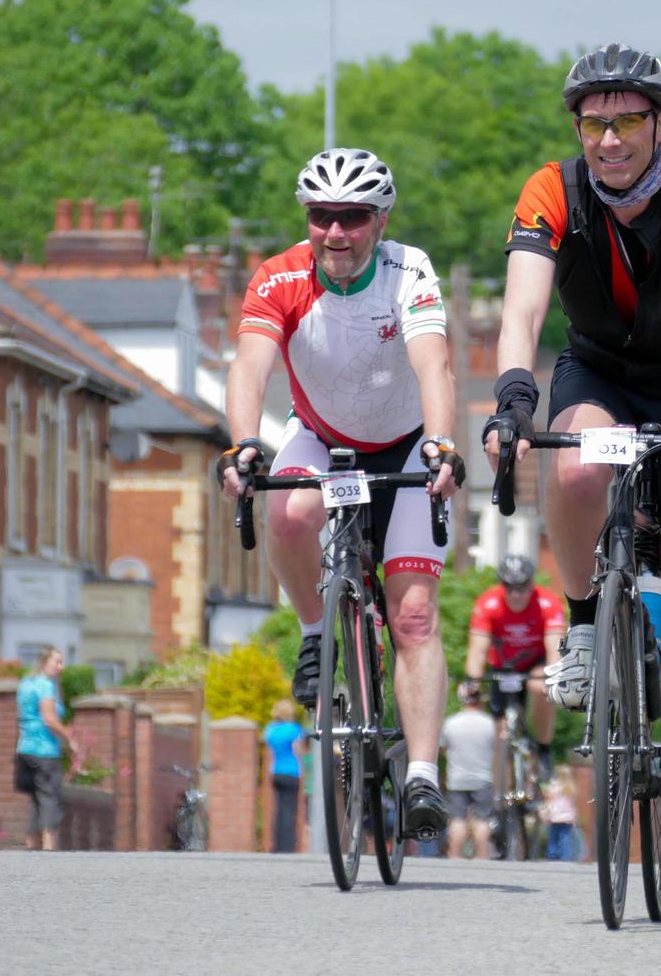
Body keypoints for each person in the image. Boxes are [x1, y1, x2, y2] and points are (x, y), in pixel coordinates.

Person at [484, 43, 661, 869]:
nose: (609, 139)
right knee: (571, 467)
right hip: (600, 371)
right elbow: (521, 311)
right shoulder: (552, 189)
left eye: (628, 121)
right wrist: (512, 398)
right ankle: (580, 626)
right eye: (594, 122)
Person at [217, 147, 465, 840]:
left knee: (412, 616)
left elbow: (434, 364)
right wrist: (242, 442)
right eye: (322, 216)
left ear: (380, 219)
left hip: (407, 444)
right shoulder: (280, 276)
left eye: (352, 217)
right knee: (289, 512)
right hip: (321, 437)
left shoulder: (407, 270)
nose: (336, 232)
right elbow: (251, 364)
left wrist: (442, 443)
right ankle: (316, 630)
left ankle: (420, 774)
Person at [465, 553, 564, 782]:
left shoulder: (547, 603)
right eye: (509, 587)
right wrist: (472, 681)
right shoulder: (488, 604)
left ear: (532, 583)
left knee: (541, 685)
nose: (516, 594)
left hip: (535, 663)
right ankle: (502, 801)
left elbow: (554, 648)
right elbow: (477, 650)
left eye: (522, 587)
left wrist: (554, 676)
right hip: (504, 666)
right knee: (500, 736)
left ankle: (542, 747)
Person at [15, 647, 76, 851]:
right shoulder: (44, 686)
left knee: (36, 800)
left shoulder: (25, 683)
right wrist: (69, 736)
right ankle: (50, 849)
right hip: (45, 750)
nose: (61, 667)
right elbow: (49, 719)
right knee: (51, 799)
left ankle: (32, 848)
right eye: (57, 662)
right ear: (44, 663)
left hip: (25, 749)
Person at [441, 679, 498, 860]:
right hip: (483, 778)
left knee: (457, 819)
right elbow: (497, 750)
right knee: (482, 819)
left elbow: (443, 748)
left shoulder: (451, 723)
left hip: (456, 779)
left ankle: (455, 855)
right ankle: (482, 856)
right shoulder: (489, 723)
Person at [263, 699, 305, 853]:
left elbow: (269, 747)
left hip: (276, 772)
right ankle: (287, 847)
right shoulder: (294, 729)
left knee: (278, 809)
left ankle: (276, 845)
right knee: (290, 810)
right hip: (292, 772)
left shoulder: (270, 730)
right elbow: (298, 750)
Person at [541, 764, 581, 861]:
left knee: (553, 837)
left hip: (555, 816)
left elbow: (548, 795)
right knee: (565, 838)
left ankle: (552, 855)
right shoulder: (570, 787)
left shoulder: (555, 785)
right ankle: (566, 856)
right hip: (567, 818)